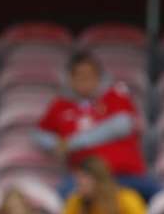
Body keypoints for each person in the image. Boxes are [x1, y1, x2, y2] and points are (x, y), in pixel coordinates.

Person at [35, 52, 155, 202]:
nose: (85, 80)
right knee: (61, 197)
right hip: (85, 180)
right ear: (70, 79)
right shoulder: (60, 106)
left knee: (161, 196)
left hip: (126, 175)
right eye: (79, 75)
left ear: (99, 76)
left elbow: (122, 125)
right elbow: (38, 133)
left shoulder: (114, 95)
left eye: (90, 75)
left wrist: (70, 144)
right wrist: (54, 144)